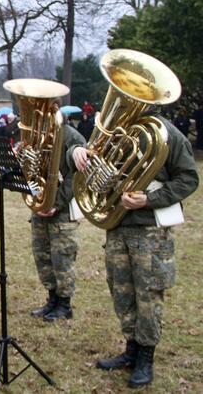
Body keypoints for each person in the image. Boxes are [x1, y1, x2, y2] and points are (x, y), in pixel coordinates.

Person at [70, 107, 198, 388]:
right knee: (121, 290)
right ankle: (131, 349)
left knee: (148, 293)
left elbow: (188, 178)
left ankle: (145, 357)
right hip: (117, 225)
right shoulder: (115, 130)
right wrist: (78, 151)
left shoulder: (167, 133)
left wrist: (150, 199)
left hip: (150, 230)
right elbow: (91, 159)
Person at [28, 121, 86, 321]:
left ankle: (64, 305)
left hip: (61, 212)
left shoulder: (72, 136)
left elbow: (77, 176)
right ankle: (52, 299)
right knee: (42, 256)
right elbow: (33, 170)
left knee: (62, 259)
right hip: (40, 208)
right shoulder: (37, 134)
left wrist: (56, 203)